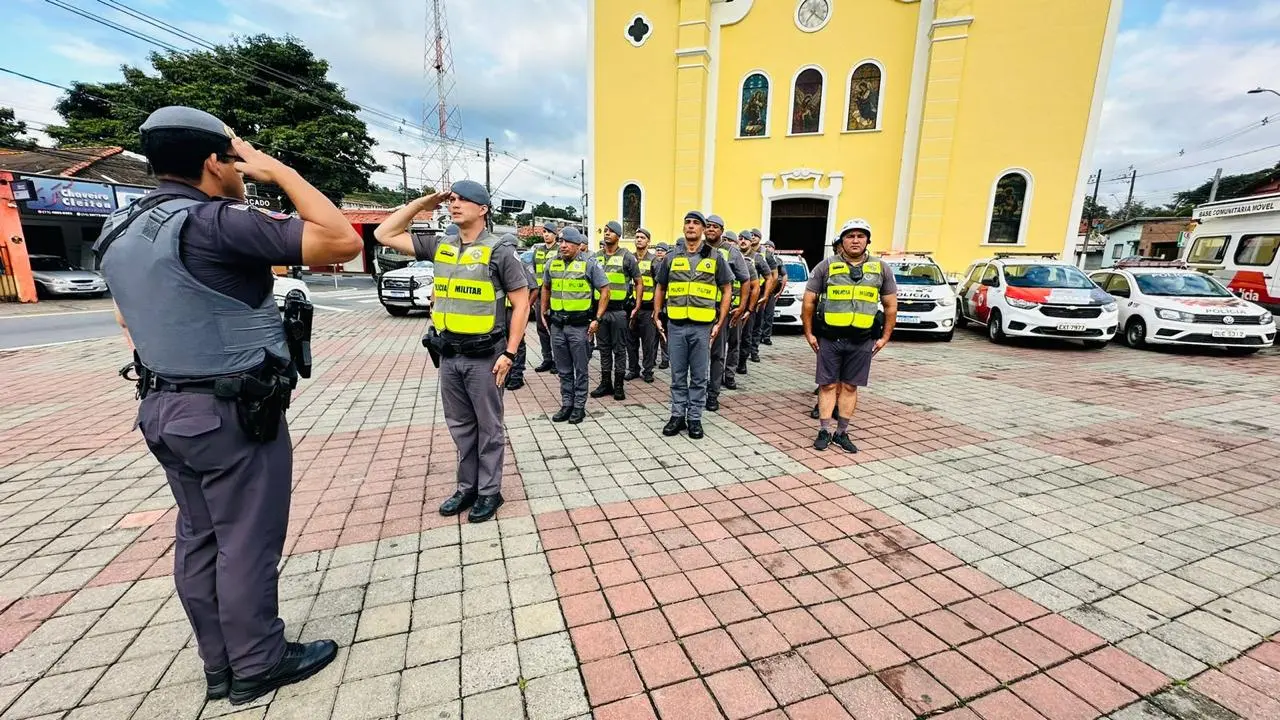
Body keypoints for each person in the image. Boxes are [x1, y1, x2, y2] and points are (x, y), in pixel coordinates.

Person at [94, 106, 360, 705]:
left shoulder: (120, 227)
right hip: (230, 414)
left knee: (199, 536)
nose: (242, 170)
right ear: (214, 162)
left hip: (163, 406)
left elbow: (125, 316)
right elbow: (342, 240)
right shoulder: (215, 223)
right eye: (236, 159)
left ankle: (219, 665)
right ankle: (258, 663)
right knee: (246, 538)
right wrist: (279, 170)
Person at [373, 181, 531, 523]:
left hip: (486, 356)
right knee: (460, 425)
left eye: (464, 200)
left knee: (489, 427)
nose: (455, 204)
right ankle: (467, 488)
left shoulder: (500, 250)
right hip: (449, 354)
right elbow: (384, 233)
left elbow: (521, 304)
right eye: (453, 199)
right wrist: (425, 202)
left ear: (483, 209)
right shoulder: (440, 244)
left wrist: (511, 353)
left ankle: (490, 492)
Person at [802, 218, 898, 454]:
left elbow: (891, 306)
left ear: (867, 241)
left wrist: (885, 336)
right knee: (827, 385)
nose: (855, 240)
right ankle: (824, 431)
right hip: (830, 338)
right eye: (850, 236)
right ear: (842, 241)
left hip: (863, 339)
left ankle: (842, 433)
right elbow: (809, 302)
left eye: (860, 236)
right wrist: (809, 333)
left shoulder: (881, 268)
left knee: (850, 387)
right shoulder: (825, 266)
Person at [653, 211, 732, 439]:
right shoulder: (670, 257)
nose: (690, 226)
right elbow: (661, 285)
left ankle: (695, 418)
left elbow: (726, 288)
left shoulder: (715, 257)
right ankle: (677, 415)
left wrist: (721, 319)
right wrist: (657, 313)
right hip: (676, 325)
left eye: (696, 223)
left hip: (702, 327)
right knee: (677, 374)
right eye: (687, 222)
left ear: (704, 229)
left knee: (699, 376)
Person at [542, 227, 610, 423]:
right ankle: (566, 404)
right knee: (563, 368)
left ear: (578, 245)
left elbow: (605, 291)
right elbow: (546, 287)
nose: (563, 245)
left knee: (580, 368)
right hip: (557, 325)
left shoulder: (589, 264)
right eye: (561, 242)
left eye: (568, 242)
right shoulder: (552, 263)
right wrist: (543, 311)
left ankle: (579, 406)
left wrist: (597, 318)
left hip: (579, 326)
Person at [702, 215, 751, 412]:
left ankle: (713, 394)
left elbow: (745, 279)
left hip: (719, 312)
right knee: (696, 356)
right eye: (708, 226)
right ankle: (697, 391)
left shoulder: (732, 252)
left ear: (722, 230)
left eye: (715, 227)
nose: (711, 229)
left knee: (717, 355)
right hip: (697, 311)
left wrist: (742, 307)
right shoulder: (698, 249)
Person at [590, 221, 642, 400]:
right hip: (600, 311)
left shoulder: (627, 256)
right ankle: (606, 383)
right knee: (603, 348)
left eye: (611, 231)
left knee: (619, 349)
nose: (607, 233)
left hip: (619, 310)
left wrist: (637, 305)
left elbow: (638, 281)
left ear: (618, 236)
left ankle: (619, 385)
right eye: (605, 230)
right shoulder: (595, 257)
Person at [722, 230, 758, 390]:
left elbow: (755, 287)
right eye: (725, 241)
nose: (728, 244)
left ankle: (729, 375)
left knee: (734, 344)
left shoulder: (747, 264)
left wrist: (748, 309)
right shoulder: (717, 261)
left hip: (737, 311)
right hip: (719, 310)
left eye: (730, 241)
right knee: (717, 347)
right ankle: (715, 375)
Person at [504, 236, 539, 391]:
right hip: (501, 311)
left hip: (515, 311)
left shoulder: (523, 265)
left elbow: (535, 288)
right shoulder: (500, 264)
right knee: (503, 342)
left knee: (518, 342)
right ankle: (507, 373)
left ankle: (517, 375)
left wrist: (526, 307)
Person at [627, 228, 660, 383]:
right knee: (631, 341)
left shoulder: (655, 261)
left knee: (648, 342)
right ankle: (633, 369)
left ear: (648, 242)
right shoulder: (629, 258)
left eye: (642, 237)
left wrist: (657, 310)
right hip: (631, 307)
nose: (639, 239)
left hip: (648, 308)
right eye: (637, 237)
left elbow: (660, 285)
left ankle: (648, 371)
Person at [742, 230, 777, 366]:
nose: (751, 238)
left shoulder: (764, 254)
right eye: (749, 236)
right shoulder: (739, 254)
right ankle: (743, 355)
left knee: (757, 324)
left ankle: (754, 350)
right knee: (746, 328)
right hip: (745, 294)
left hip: (760, 294)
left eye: (754, 236)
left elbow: (773, 275)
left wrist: (767, 294)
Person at [531, 222, 560, 374]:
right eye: (544, 232)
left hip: (554, 294)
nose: (546, 234)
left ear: (555, 234)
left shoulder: (559, 250)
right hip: (539, 295)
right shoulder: (538, 250)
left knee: (554, 328)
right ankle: (547, 359)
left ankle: (557, 360)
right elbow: (535, 271)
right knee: (541, 328)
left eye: (549, 232)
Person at [758, 236, 784, 347]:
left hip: (771, 292)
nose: (767, 248)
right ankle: (758, 336)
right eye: (766, 246)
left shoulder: (777, 261)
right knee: (759, 315)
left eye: (770, 246)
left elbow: (784, 276)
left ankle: (766, 336)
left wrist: (779, 292)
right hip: (761, 291)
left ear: (774, 248)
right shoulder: (761, 257)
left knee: (769, 315)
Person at [654, 242, 671, 369]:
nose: (659, 252)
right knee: (656, 335)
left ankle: (666, 358)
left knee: (666, 333)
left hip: (669, 305)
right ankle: (654, 359)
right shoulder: (653, 264)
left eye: (662, 250)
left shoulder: (670, 265)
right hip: (657, 304)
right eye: (657, 250)